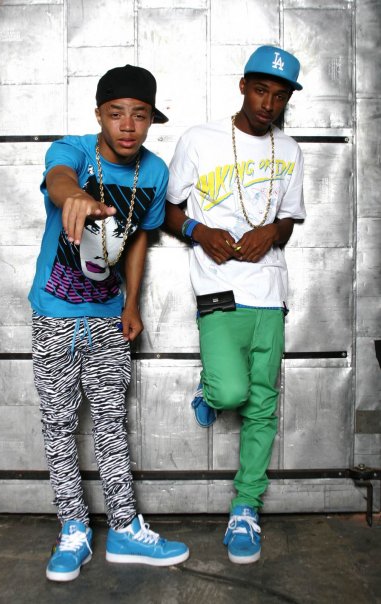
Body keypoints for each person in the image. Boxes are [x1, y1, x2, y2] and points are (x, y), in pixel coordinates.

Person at [29, 64, 189, 582]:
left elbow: (140, 238)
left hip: (107, 316)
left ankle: (123, 528)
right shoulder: (74, 151)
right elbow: (59, 178)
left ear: (151, 120)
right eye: (116, 113)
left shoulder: (154, 172)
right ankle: (73, 529)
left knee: (111, 422)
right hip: (55, 311)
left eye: (139, 115)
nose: (127, 125)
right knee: (58, 424)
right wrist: (72, 195)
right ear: (99, 114)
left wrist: (132, 304)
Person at [164, 46, 306, 564]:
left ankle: (246, 508)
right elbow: (167, 210)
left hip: (270, 292)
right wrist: (200, 231)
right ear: (243, 86)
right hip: (219, 288)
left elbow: (289, 218)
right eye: (261, 90)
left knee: (262, 403)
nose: (269, 104)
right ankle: (211, 390)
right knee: (232, 392)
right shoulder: (199, 140)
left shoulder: (290, 150)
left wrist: (274, 231)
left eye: (280, 96)